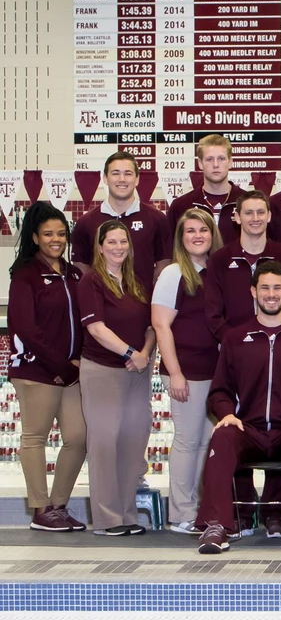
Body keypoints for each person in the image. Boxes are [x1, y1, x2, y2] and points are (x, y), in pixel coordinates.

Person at [195, 260, 281, 555]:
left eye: (277, 287)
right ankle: (217, 524)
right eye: (265, 287)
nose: (271, 294)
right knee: (222, 435)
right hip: (249, 428)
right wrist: (227, 413)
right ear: (253, 291)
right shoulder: (236, 338)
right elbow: (219, 390)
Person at [8, 203, 87, 532]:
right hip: (36, 372)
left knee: (79, 437)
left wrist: (77, 362)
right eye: (48, 234)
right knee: (35, 438)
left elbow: (85, 320)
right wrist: (59, 365)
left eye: (61, 234)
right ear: (35, 238)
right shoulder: (26, 276)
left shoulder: (72, 273)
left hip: (72, 373)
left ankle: (58, 504)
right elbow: (26, 328)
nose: (56, 240)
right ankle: (40, 509)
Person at [78, 219, 156, 536]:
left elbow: (151, 326)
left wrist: (145, 354)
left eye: (123, 241)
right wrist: (129, 353)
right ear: (99, 247)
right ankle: (107, 519)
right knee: (104, 444)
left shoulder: (135, 281)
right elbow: (96, 328)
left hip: (137, 370)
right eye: (111, 241)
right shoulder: (92, 282)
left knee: (131, 443)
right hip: (103, 371)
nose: (118, 247)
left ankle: (127, 515)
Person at [151, 208, 222, 535]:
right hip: (187, 372)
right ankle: (182, 512)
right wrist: (175, 373)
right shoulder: (174, 273)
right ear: (181, 238)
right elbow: (161, 325)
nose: (197, 236)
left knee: (209, 444)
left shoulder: (216, 272)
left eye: (203, 230)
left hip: (216, 372)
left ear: (212, 235)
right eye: (190, 231)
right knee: (188, 441)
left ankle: (204, 509)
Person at [205, 190, 281, 343]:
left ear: (269, 216)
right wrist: (236, 342)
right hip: (235, 348)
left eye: (260, 212)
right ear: (237, 217)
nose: (255, 218)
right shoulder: (219, 260)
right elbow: (213, 314)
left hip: (278, 346)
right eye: (249, 213)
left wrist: (279, 340)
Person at [72, 151, 171, 293]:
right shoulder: (85, 222)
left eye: (128, 173)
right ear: (105, 178)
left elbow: (164, 265)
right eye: (115, 173)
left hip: (144, 308)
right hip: (101, 307)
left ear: (137, 179)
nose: (122, 179)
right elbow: (82, 268)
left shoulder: (157, 219)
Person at [168, 134, 244, 243]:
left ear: (230, 162)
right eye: (209, 159)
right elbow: (172, 250)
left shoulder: (246, 203)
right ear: (200, 163)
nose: (216, 164)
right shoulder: (181, 206)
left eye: (221, 159)